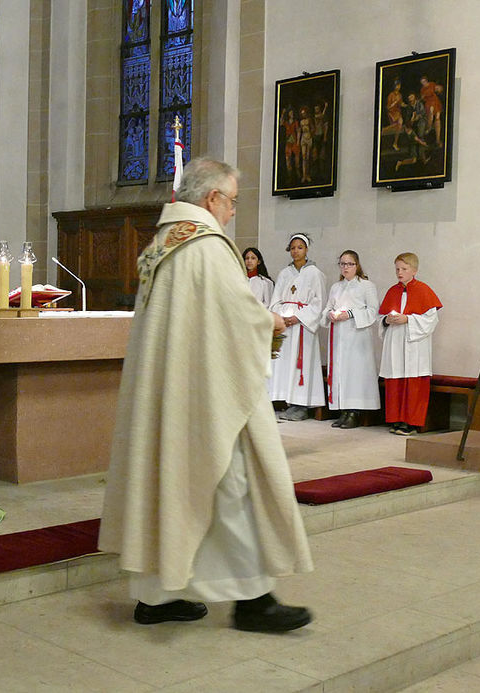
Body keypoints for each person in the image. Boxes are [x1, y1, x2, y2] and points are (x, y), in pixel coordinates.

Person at [99, 158, 313, 634]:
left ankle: (155, 597)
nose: (234, 210)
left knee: (167, 482)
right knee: (232, 484)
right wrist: (271, 322)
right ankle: (254, 602)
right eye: (233, 200)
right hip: (207, 394)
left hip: (170, 390)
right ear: (212, 198)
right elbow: (236, 315)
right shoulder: (208, 246)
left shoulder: (164, 243)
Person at [378, 253, 442, 436]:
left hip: (415, 345)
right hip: (395, 343)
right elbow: (380, 318)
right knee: (396, 381)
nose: (399, 272)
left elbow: (431, 320)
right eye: (397, 269)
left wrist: (408, 319)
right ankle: (396, 419)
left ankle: (411, 422)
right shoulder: (392, 291)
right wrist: (386, 320)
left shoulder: (424, 290)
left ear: (414, 270)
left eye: (404, 269)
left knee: (413, 384)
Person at [268, 233, 326, 420]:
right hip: (286, 325)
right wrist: (280, 317)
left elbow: (319, 303)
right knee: (285, 364)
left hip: (302, 327)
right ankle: (286, 401)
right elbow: (275, 299)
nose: (296, 251)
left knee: (301, 364)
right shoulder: (285, 273)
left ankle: (301, 404)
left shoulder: (315, 274)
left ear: (306, 249)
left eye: (300, 247)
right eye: (293, 247)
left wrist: (299, 316)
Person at [321, 251, 381, 429]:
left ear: (357, 265)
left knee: (355, 373)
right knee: (341, 372)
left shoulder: (366, 286)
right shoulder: (336, 287)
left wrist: (350, 314)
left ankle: (355, 411)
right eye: (342, 264)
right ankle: (343, 410)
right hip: (339, 336)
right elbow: (327, 309)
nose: (345, 267)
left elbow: (373, 311)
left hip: (357, 336)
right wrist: (330, 315)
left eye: (349, 264)